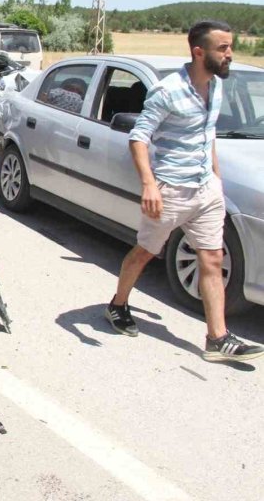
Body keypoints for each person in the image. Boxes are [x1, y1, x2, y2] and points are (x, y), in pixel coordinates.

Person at [107, 19, 263, 362]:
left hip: (206, 190)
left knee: (212, 258)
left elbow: (207, 135)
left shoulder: (217, 86)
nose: (230, 54)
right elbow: (139, 138)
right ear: (198, 52)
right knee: (145, 252)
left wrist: (216, 180)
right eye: (223, 48)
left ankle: (217, 338)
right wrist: (149, 185)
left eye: (230, 46)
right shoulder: (167, 91)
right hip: (171, 190)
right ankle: (118, 304)